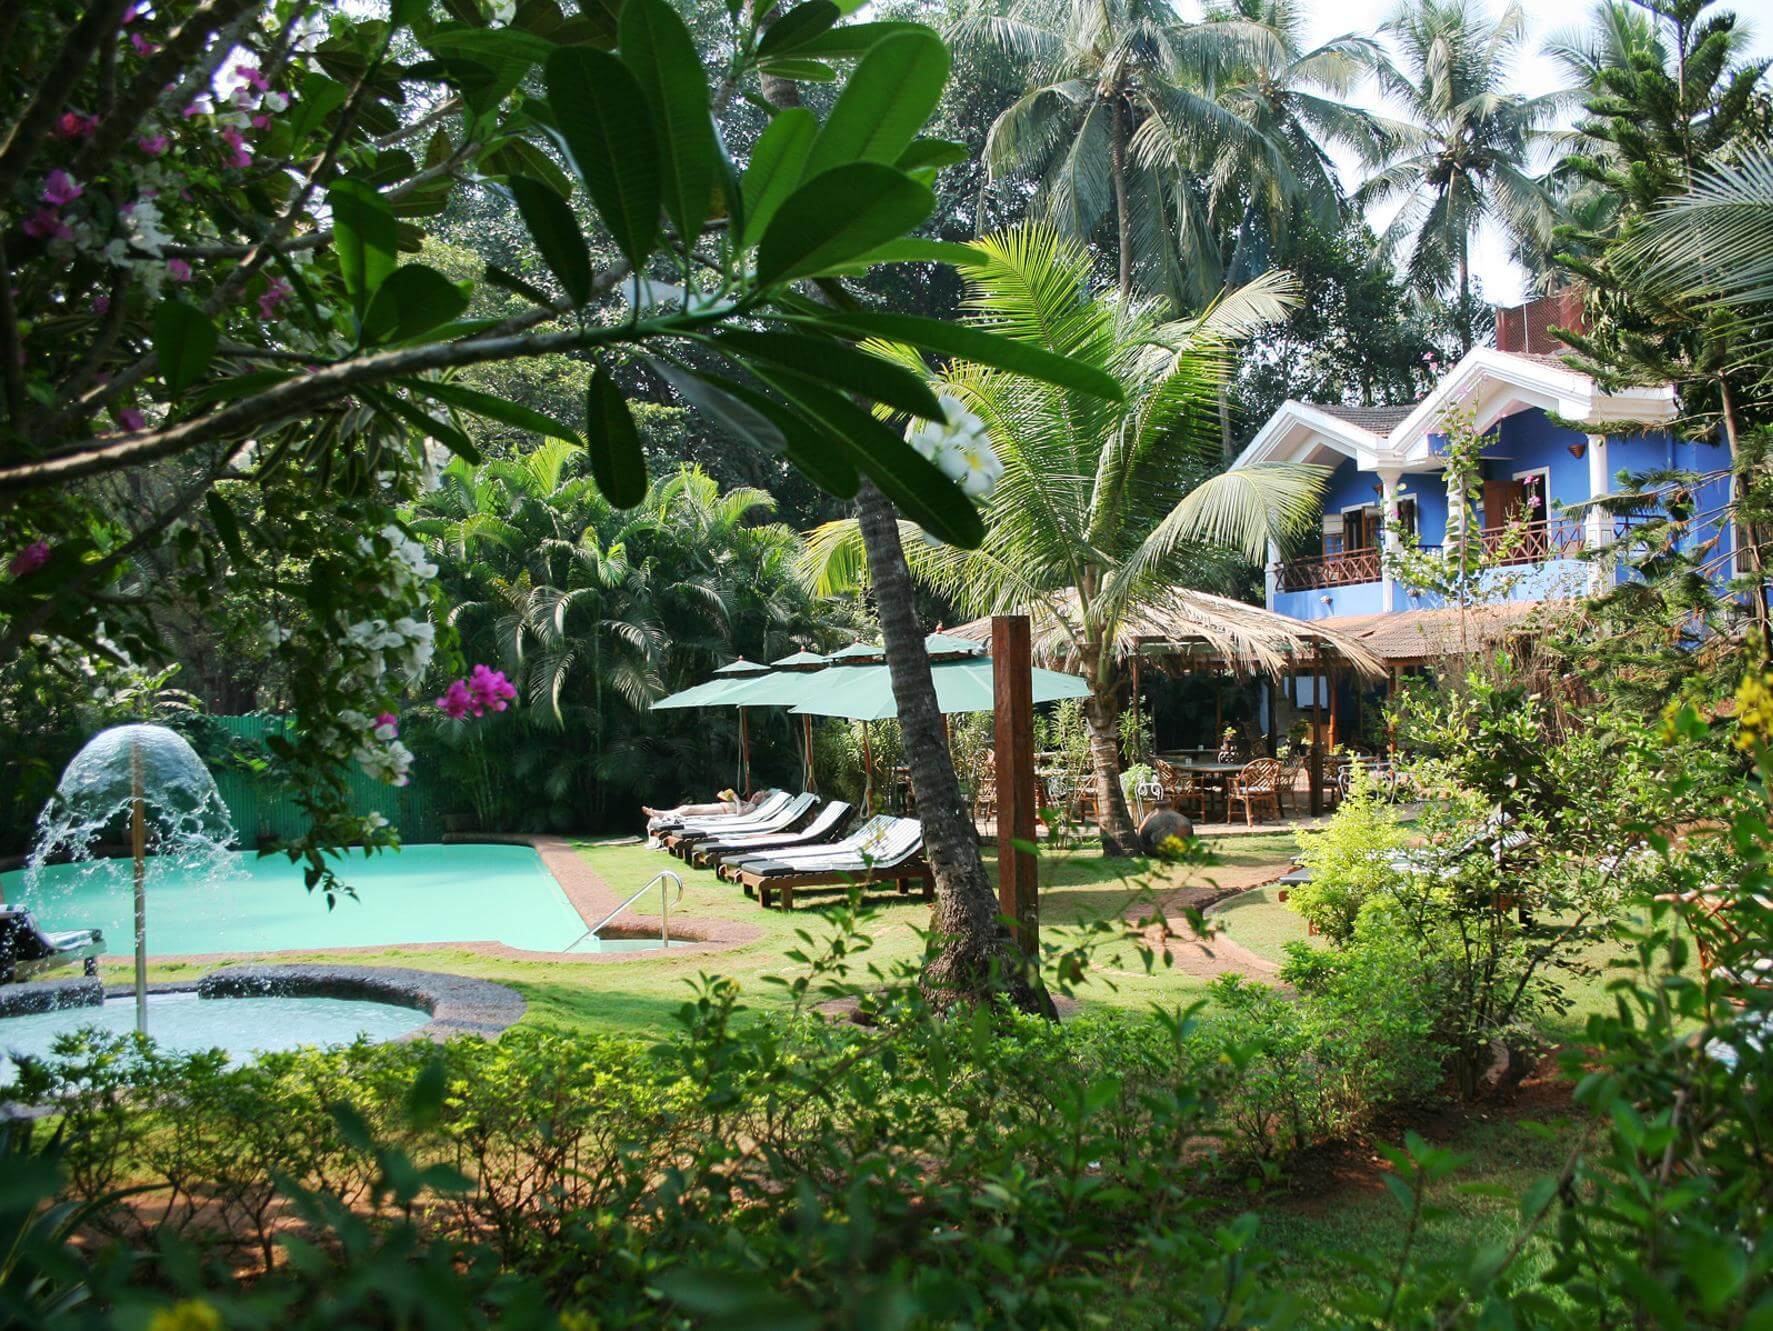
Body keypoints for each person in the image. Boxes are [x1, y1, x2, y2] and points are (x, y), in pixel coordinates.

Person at [643, 789, 756, 835]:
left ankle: (658, 813)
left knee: (688, 809)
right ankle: (659, 813)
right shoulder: (747, 802)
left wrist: (736, 799)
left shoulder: (753, 806)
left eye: (758, 795)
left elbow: (740, 814)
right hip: (719, 807)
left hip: (721, 810)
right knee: (686, 808)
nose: (755, 794)